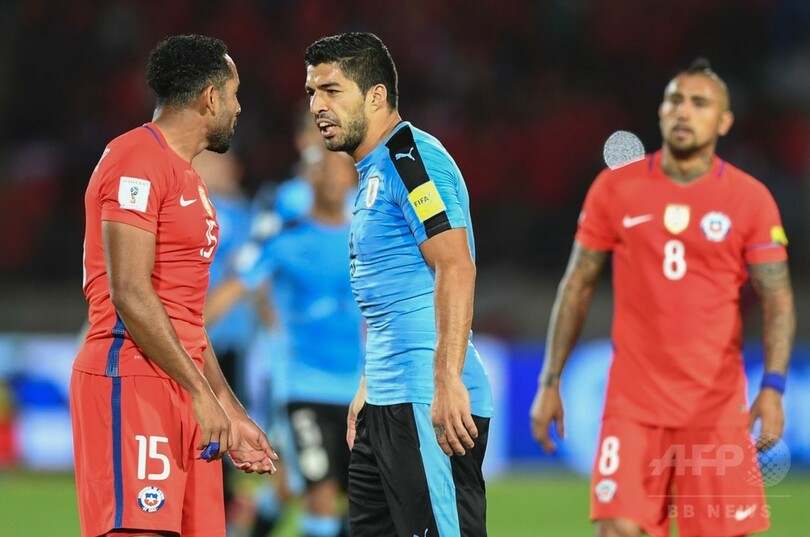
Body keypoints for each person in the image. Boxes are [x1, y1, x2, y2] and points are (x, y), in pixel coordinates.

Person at [530, 59, 795, 537]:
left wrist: (773, 387)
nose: (684, 111)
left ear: (724, 121)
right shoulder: (615, 188)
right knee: (617, 528)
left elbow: (777, 297)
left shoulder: (750, 199)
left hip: (715, 411)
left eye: (700, 103)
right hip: (633, 407)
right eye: (675, 100)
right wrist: (550, 381)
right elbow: (577, 284)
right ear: (660, 111)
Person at [71, 34, 277, 537]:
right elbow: (129, 291)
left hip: (182, 387)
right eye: (234, 94)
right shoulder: (135, 160)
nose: (238, 107)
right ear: (210, 97)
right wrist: (200, 392)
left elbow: (185, 316)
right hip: (132, 379)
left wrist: (228, 406)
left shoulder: (189, 180)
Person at [304, 32, 493, 537]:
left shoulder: (410, 160)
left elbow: (455, 266)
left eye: (331, 90)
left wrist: (447, 379)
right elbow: (388, 295)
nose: (317, 106)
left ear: (376, 96)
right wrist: (370, 384)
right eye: (312, 93)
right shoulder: (373, 170)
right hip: (388, 398)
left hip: (425, 399)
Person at [207, 146, 363, 537]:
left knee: (357, 499)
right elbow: (236, 287)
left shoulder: (367, 238)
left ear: (352, 179)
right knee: (319, 493)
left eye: (340, 168)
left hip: (357, 391)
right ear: (309, 180)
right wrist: (182, 326)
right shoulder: (283, 240)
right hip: (304, 389)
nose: (332, 176)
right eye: (324, 168)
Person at [194, 149, 263, 528]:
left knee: (217, 431)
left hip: (224, 341)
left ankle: (226, 510)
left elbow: (254, 281)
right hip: (201, 338)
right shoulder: (195, 207)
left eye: (212, 162)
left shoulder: (240, 215)